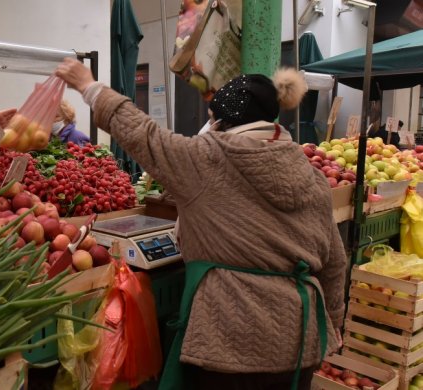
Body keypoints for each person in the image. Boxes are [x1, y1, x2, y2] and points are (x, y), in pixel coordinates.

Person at [56, 58, 346, 390]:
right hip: (300, 340)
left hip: (229, 344)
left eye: (210, 118)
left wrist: (89, 87)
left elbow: (142, 134)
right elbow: (335, 263)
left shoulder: (205, 159)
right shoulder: (311, 175)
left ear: (220, 121)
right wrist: (333, 322)